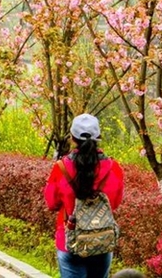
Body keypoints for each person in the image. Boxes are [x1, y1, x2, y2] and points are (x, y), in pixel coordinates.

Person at [44, 113, 124, 278]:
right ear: (99, 137)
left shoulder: (61, 168)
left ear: (72, 138)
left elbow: (51, 203)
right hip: (101, 240)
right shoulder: (113, 168)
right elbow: (114, 203)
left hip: (70, 240)